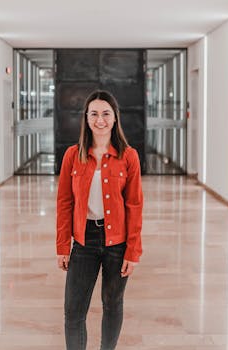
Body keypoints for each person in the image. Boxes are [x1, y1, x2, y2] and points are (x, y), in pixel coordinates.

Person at [56, 90, 143, 350]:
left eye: (106, 113)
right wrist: (62, 246)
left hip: (118, 243)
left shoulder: (129, 156)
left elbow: (135, 205)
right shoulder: (73, 155)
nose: (100, 119)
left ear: (115, 118)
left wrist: (133, 251)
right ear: (86, 118)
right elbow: (64, 203)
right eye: (94, 113)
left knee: (113, 304)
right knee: (73, 312)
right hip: (84, 241)